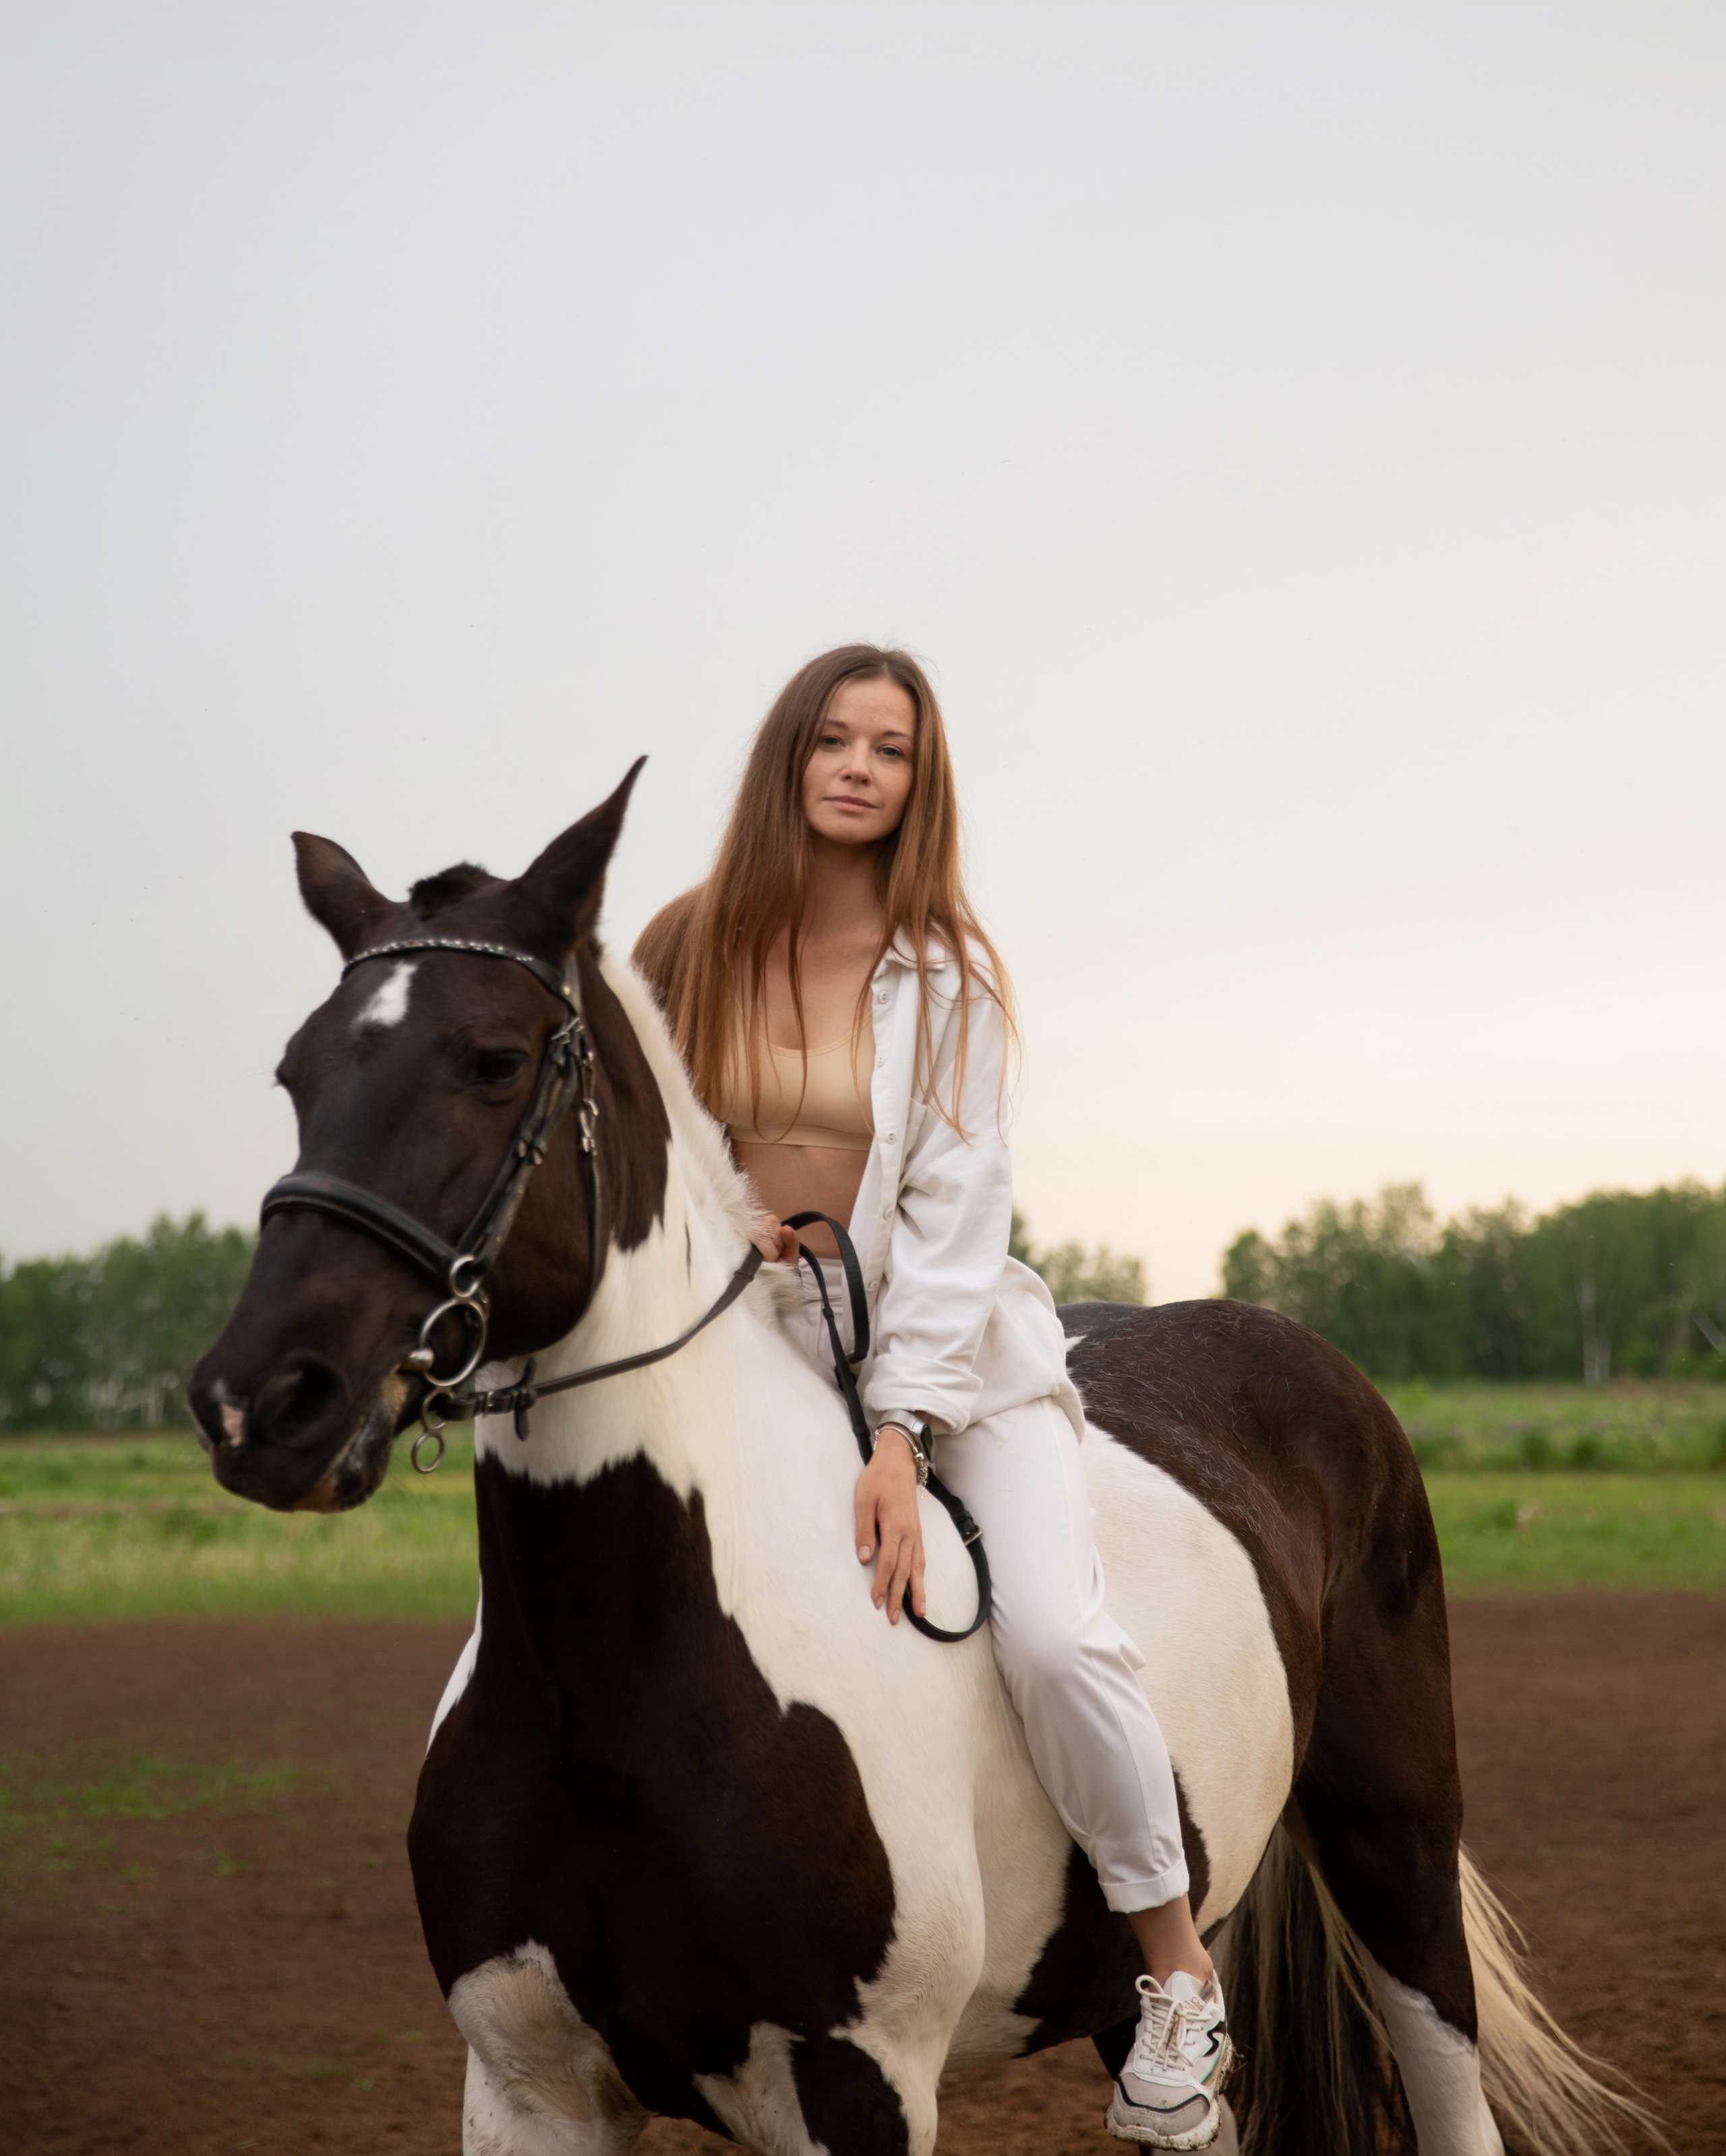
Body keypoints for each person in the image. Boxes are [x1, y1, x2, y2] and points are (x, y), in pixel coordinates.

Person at [634, 645, 1231, 2149]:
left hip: (950, 1365)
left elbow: (958, 1229)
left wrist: (899, 1435)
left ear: (918, 781)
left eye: (886, 750)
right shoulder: (679, 945)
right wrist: (722, 1231)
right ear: (787, 758)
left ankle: (1170, 1971)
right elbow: (641, 1163)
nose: (854, 767)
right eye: (829, 740)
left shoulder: (947, 977)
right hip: (744, 1355)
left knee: (1047, 1625)